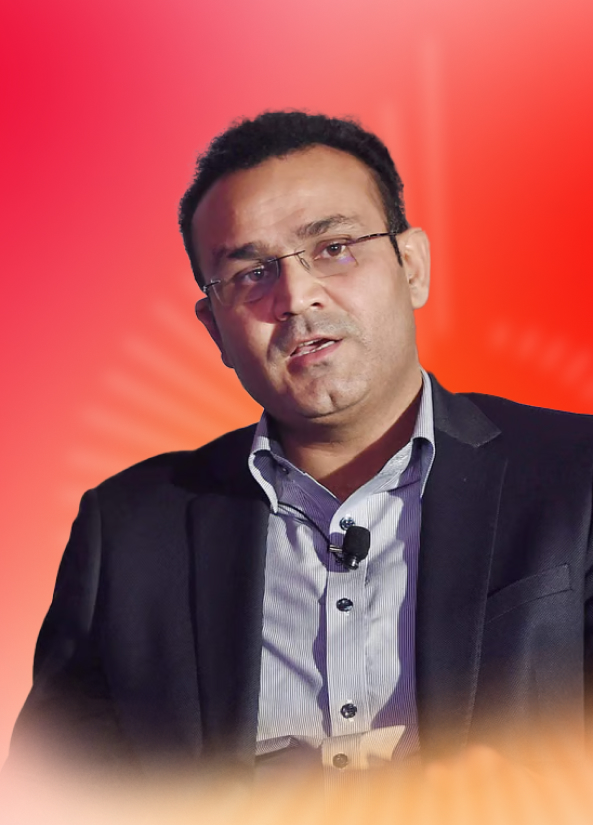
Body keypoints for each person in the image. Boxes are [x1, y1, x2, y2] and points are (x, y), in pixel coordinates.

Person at [8, 111, 593, 778]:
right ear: (214, 328)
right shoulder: (128, 532)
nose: (295, 296)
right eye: (251, 273)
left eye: (334, 248)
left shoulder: (574, 477)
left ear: (411, 267)